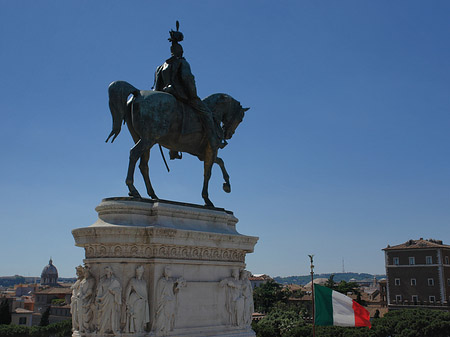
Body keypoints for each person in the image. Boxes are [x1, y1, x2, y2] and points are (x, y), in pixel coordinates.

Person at [154, 22, 226, 160]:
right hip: (180, 95)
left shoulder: (161, 66)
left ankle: (173, 150)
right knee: (207, 114)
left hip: (165, 93)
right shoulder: (182, 63)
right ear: (180, 51)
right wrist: (193, 96)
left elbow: (156, 86)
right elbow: (188, 80)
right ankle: (213, 142)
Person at [154, 266, 186, 335]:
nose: (170, 273)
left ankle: (166, 330)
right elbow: (159, 292)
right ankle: (160, 330)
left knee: (169, 316)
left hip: (170, 301)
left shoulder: (171, 281)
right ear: (166, 272)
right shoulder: (161, 281)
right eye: (169, 272)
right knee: (162, 316)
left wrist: (178, 286)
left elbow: (173, 290)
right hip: (164, 301)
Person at [96, 266, 122, 335]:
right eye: (106, 271)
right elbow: (99, 290)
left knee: (112, 314)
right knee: (103, 315)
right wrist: (98, 298)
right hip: (103, 300)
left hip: (111, 299)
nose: (106, 272)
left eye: (108, 271)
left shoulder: (114, 280)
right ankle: (102, 329)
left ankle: (113, 329)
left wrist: (113, 291)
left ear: (111, 272)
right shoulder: (103, 280)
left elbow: (119, 290)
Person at [125, 265, 150, 333]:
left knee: (140, 317)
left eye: (141, 272)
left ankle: (140, 329)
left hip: (142, 302)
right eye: (138, 272)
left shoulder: (144, 282)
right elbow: (128, 291)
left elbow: (145, 293)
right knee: (134, 316)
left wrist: (145, 300)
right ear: (136, 272)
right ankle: (134, 330)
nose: (139, 273)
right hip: (133, 301)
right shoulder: (132, 280)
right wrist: (127, 301)